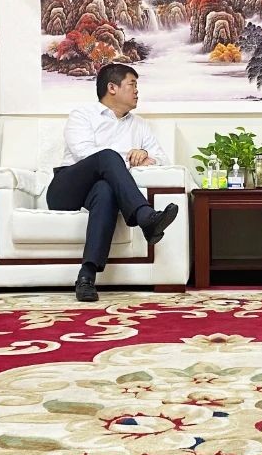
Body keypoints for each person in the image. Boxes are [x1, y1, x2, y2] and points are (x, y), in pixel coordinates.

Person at [48, 63, 179, 302]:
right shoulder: (83, 115)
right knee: (107, 157)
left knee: (106, 191)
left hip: (98, 192)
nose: (137, 91)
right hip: (67, 188)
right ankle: (145, 217)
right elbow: (84, 153)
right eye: (132, 84)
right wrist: (129, 158)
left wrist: (146, 155)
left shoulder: (139, 125)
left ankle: (86, 277)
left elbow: (162, 161)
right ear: (112, 88)